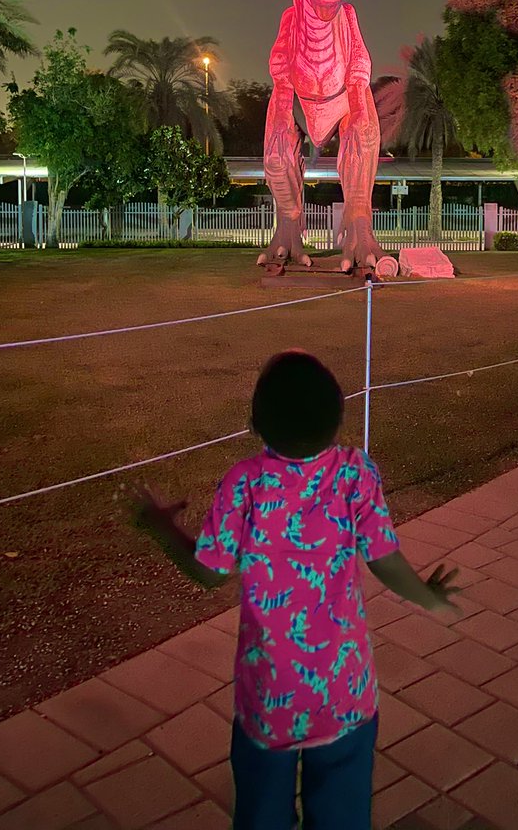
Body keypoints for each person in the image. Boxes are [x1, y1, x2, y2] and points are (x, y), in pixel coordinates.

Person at [132, 350, 461, 830]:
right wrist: (427, 595)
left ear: (254, 423)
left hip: (269, 698)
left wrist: (164, 529)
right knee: (342, 816)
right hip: (344, 695)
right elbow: (383, 558)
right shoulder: (355, 473)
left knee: (262, 813)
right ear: (339, 416)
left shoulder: (244, 484)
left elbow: (210, 572)